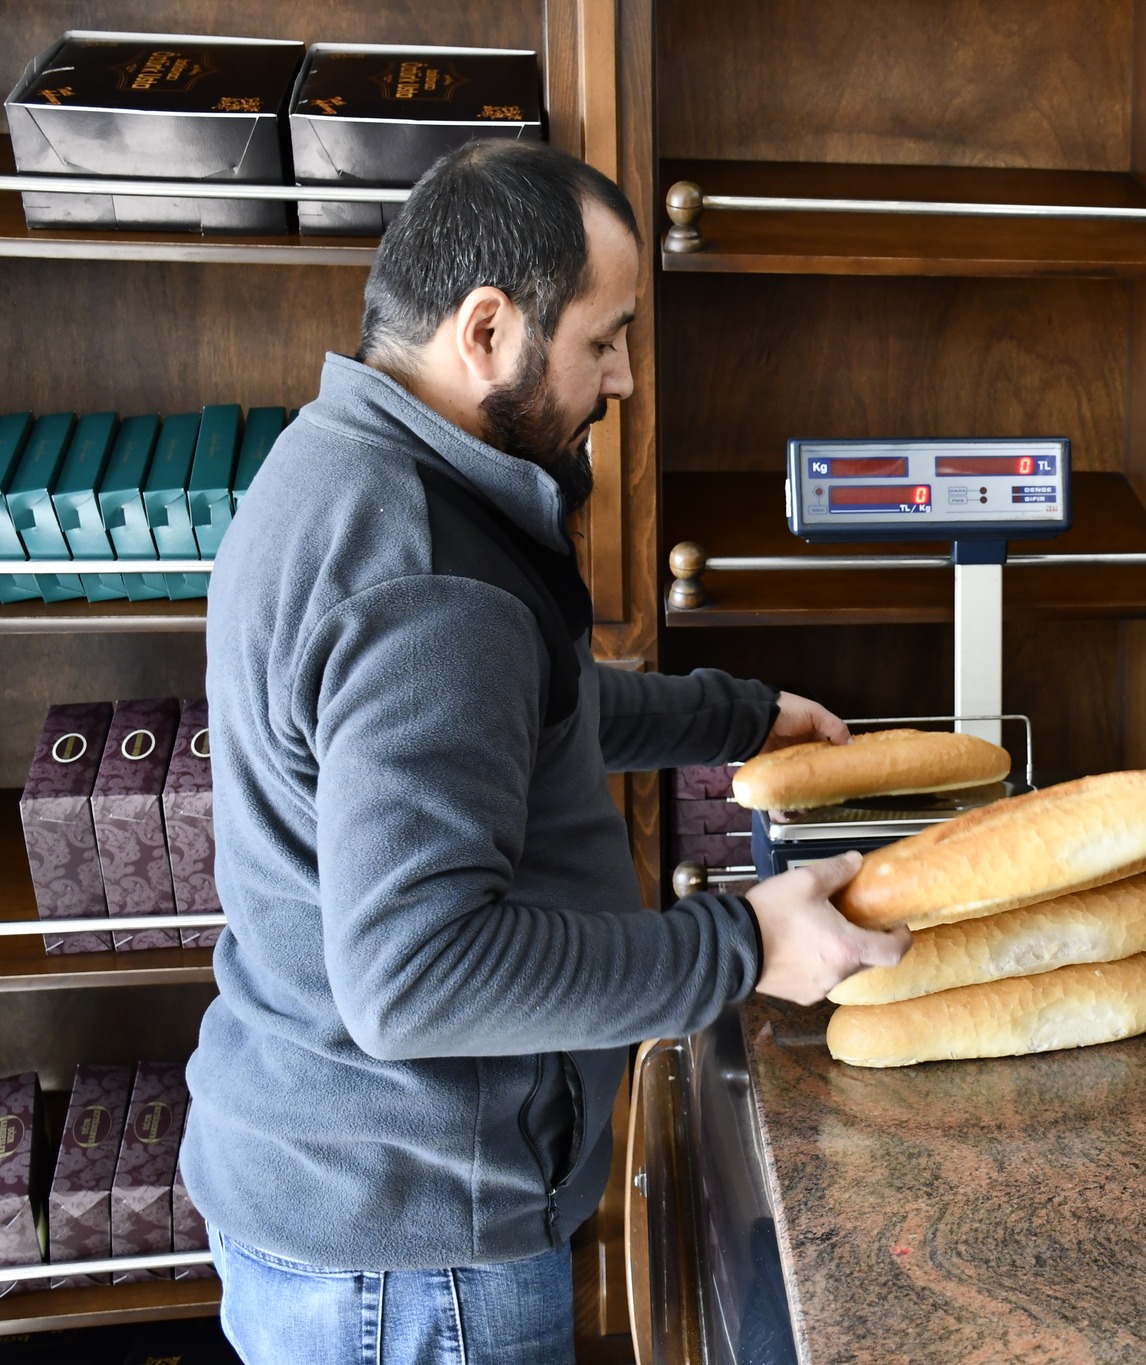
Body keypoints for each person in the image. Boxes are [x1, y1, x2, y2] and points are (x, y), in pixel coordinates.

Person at [181, 140, 909, 1364]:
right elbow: (417, 976)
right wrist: (743, 945)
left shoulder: (341, 461)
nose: (619, 378)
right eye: (601, 339)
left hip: (330, 1193)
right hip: (413, 1257)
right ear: (485, 327)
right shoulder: (425, 586)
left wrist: (731, 715)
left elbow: (518, 717)